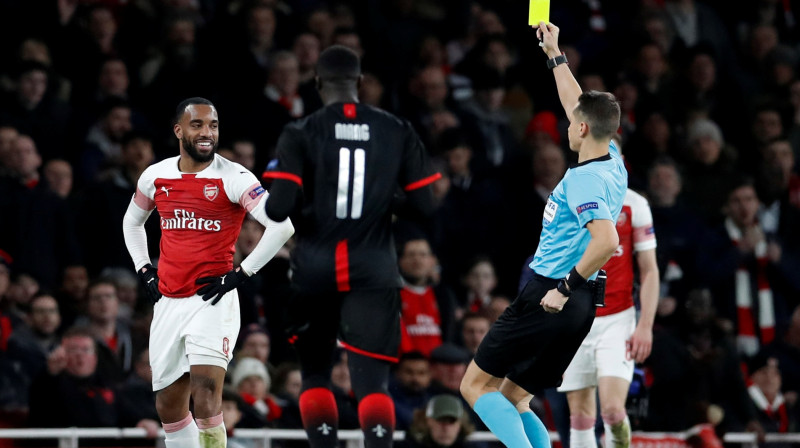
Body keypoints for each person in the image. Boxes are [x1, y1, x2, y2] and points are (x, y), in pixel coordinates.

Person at [459, 21, 627, 448]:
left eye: (573, 123)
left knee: (476, 388)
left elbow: (607, 241)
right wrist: (555, 55)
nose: (567, 125)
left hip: (552, 294)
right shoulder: (613, 159)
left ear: (583, 130)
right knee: (516, 396)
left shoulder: (584, 181)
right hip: (583, 304)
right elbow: (579, 105)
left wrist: (563, 287)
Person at [262, 45, 440, 448]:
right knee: (373, 383)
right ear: (360, 83)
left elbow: (278, 210)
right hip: (374, 269)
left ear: (318, 83)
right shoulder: (396, 128)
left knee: (315, 375)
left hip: (313, 270)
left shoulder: (300, 131)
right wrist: (383, 199)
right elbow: (427, 206)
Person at [122, 97, 295, 448]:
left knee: (206, 391)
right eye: (197, 125)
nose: (207, 133)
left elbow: (282, 227)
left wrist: (240, 275)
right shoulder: (156, 175)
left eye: (213, 125)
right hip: (169, 301)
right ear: (179, 130)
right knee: (169, 406)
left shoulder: (234, 176)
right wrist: (144, 269)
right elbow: (132, 222)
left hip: (212, 299)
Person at [557, 186, 659, 448]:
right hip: (574, 318)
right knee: (579, 414)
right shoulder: (566, 198)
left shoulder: (634, 204)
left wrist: (645, 325)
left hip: (618, 319)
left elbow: (649, 270)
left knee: (613, 411)